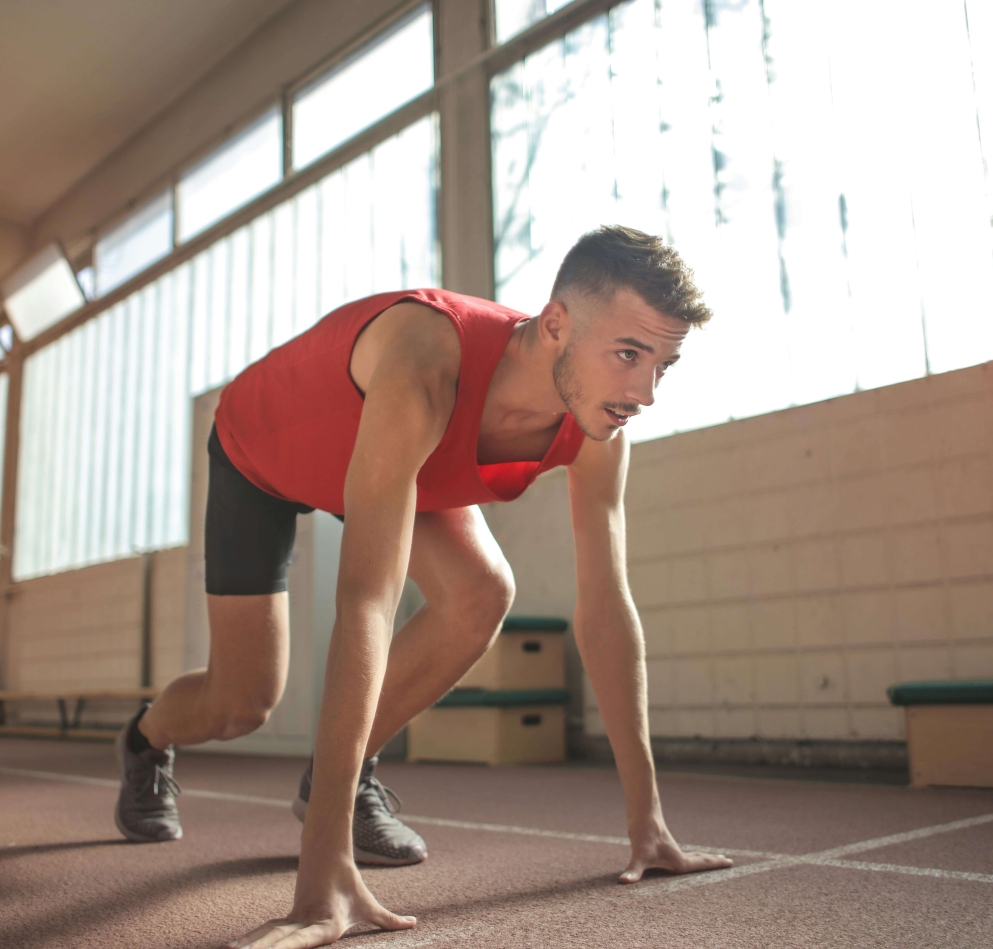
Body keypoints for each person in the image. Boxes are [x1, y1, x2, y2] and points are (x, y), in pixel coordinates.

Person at [113, 225, 733, 947]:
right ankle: (146, 738)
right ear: (557, 323)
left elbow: (605, 608)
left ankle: (341, 778)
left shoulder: (601, 427)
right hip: (267, 450)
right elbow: (366, 602)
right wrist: (321, 877)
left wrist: (647, 823)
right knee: (242, 699)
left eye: (664, 363)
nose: (643, 391)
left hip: (395, 462)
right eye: (628, 354)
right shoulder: (427, 360)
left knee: (480, 591)